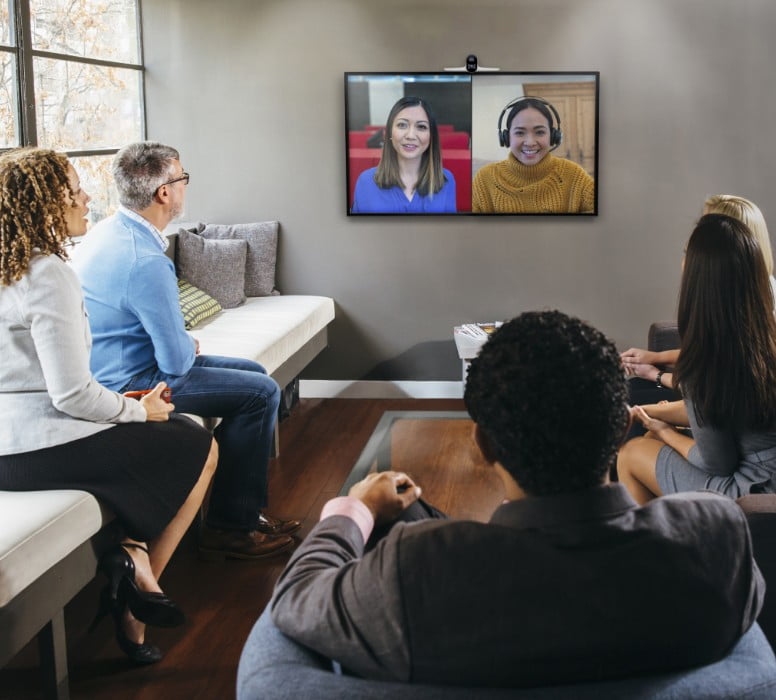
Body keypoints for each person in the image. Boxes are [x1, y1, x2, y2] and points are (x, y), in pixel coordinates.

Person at [268, 310, 763, 687]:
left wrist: (355, 510)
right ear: (622, 424)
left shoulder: (418, 569)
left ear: (482, 444)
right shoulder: (716, 539)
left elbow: (294, 602)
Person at [0, 148, 219, 664]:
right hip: (42, 447)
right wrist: (141, 411)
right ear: (44, 204)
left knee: (153, 443)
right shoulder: (47, 272)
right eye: (73, 188)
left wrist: (125, 404)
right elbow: (72, 395)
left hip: (8, 449)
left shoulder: (7, 265)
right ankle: (136, 600)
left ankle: (132, 557)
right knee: (196, 442)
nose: (85, 197)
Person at [70, 141, 300, 561]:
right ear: (163, 192)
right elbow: (175, 361)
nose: (185, 187)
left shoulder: (112, 231)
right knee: (260, 393)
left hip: (120, 365)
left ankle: (240, 509)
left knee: (252, 372)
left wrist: (179, 341)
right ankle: (232, 526)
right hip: (131, 382)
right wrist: (180, 343)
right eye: (183, 178)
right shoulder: (144, 258)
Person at [618, 214, 776, 503]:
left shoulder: (709, 358)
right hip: (767, 475)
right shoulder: (763, 335)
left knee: (631, 454)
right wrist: (650, 412)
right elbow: (717, 411)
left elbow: (717, 464)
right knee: (650, 439)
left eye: (685, 255)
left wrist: (665, 431)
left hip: (754, 491)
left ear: (699, 277)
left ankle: (653, 545)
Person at [621, 194, 776, 400]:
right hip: (705, 392)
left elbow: (714, 388)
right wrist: (655, 357)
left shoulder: (758, 302)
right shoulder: (730, 293)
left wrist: (655, 375)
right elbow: (709, 352)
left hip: (714, 399)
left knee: (630, 396)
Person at [472, 96, 594, 213]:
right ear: (506, 137)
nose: (530, 142)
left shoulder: (574, 175)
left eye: (540, 132)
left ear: (553, 136)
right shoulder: (484, 179)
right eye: (520, 133)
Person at [351, 96, 457, 213]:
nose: (410, 135)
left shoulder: (446, 180)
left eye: (421, 127)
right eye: (402, 125)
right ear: (389, 132)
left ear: (431, 136)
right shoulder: (365, 182)